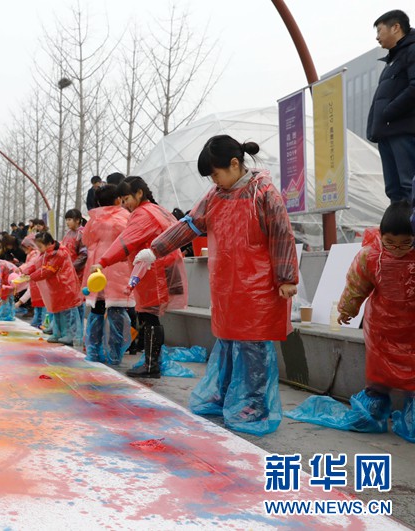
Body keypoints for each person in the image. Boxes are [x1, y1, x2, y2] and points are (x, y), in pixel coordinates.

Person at [136, 135, 298, 436]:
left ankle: (254, 404)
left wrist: (286, 277)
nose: (214, 180)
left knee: (252, 348)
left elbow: (282, 235)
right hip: (227, 286)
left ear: (235, 164)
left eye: (216, 173)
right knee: (226, 342)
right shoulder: (214, 197)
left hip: (258, 288)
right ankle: (225, 394)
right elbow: (189, 225)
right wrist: (155, 248)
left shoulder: (263, 193)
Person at [285, 201, 415, 442]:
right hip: (382, 331)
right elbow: (356, 286)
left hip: (412, 330)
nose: (397, 250)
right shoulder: (370, 255)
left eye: (405, 244)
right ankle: (372, 413)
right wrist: (347, 309)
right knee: (379, 376)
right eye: (391, 243)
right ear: (381, 236)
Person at [90, 177, 186, 378]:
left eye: (127, 199)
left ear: (139, 193)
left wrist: (104, 261)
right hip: (161, 265)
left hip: (154, 269)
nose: (125, 205)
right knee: (151, 316)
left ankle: (151, 366)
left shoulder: (143, 214)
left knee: (150, 316)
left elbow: (126, 241)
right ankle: (152, 362)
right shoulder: (157, 209)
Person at [82, 184, 133, 365]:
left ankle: (93, 351)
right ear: (118, 199)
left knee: (97, 310)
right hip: (118, 269)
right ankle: (114, 354)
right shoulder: (125, 217)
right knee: (116, 312)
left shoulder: (93, 220)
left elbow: (86, 240)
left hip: (97, 268)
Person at [367, 10, 415, 203]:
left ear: (396, 27)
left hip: (403, 131)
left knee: (408, 186)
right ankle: (401, 231)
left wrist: (389, 112)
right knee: (394, 191)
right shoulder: (392, 61)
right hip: (387, 132)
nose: (377, 37)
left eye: (379, 30)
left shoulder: (412, 50)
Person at [18, 232, 83, 345]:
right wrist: (25, 272)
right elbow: (36, 265)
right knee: (56, 311)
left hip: (65, 285)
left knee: (66, 312)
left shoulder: (59, 253)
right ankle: (57, 333)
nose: (39, 249)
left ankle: (69, 335)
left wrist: (31, 277)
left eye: (40, 246)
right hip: (55, 287)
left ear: (48, 243)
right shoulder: (45, 253)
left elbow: (48, 270)